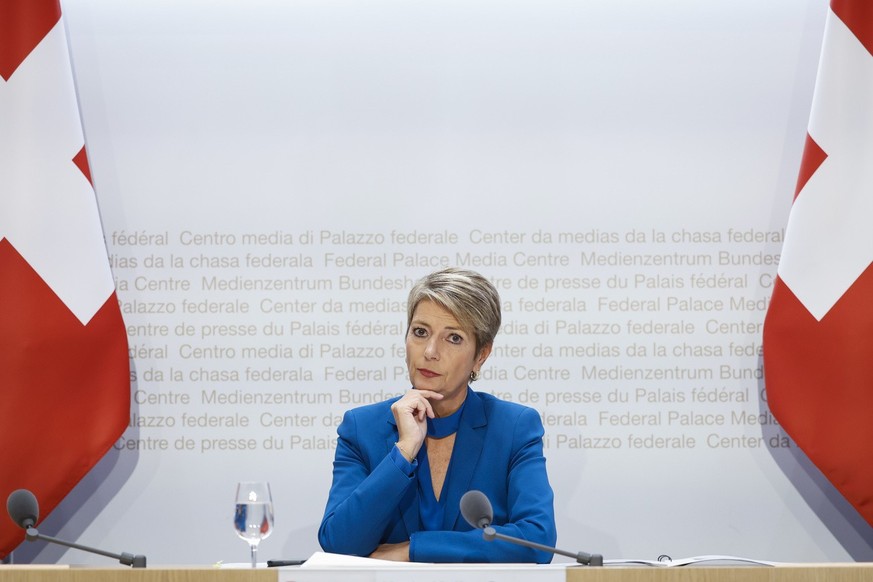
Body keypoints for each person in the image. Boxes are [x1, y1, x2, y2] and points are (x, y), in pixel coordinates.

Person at [318, 267, 557, 563]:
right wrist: (403, 452)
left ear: (481, 355)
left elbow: (538, 540)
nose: (430, 351)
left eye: (453, 338)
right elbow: (338, 544)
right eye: (420, 332)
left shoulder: (513, 428)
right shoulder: (361, 428)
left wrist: (414, 550)